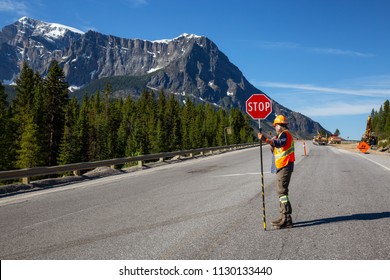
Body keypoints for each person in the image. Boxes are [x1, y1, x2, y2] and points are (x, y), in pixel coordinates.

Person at [258, 115, 295, 229]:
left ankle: (286, 218)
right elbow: (278, 148)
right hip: (282, 166)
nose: (275, 127)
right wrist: (272, 143)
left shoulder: (285, 134)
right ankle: (284, 217)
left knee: (282, 191)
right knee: (281, 192)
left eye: (276, 126)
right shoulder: (281, 135)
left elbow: (280, 143)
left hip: (285, 166)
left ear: (280, 125)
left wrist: (266, 140)